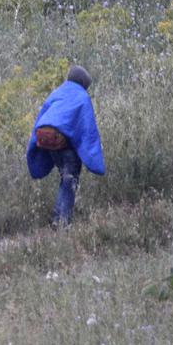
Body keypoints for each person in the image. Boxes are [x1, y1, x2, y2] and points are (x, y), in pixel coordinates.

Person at [25, 65, 106, 226]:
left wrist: (33, 146)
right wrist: (95, 157)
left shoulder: (56, 93)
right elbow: (88, 129)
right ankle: (62, 221)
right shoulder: (82, 97)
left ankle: (57, 218)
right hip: (64, 143)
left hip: (48, 142)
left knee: (65, 178)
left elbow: (42, 118)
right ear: (83, 83)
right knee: (70, 180)